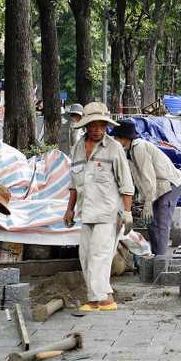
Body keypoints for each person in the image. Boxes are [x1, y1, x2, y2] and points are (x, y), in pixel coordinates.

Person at [62, 102, 134, 311]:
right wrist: (70, 209)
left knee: (99, 256)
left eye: (102, 125)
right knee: (85, 256)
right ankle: (107, 298)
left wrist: (127, 212)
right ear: (86, 125)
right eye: (94, 125)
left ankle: (95, 300)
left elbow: (126, 184)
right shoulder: (77, 148)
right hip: (87, 211)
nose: (98, 130)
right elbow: (74, 183)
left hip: (109, 212)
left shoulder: (114, 148)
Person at [110, 120, 181, 256]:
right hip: (155, 188)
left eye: (116, 138)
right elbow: (135, 180)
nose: (115, 141)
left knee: (161, 222)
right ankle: (155, 256)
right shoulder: (128, 151)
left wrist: (148, 203)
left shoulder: (140, 148)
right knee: (150, 222)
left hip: (169, 185)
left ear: (124, 138)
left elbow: (148, 177)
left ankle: (161, 261)